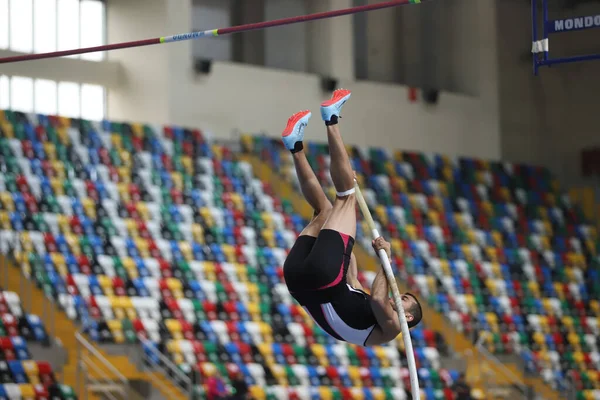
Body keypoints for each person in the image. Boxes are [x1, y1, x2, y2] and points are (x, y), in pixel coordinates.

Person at [281, 89, 423, 347]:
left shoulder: (392, 328)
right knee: (325, 212)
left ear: (409, 317)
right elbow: (350, 275)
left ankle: (332, 120)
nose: (396, 297)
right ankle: (296, 147)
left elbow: (379, 299)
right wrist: (340, 244)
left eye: (402, 300)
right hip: (299, 282)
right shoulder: (362, 306)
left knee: (346, 196)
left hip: (323, 282)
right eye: (400, 296)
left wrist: (385, 261)